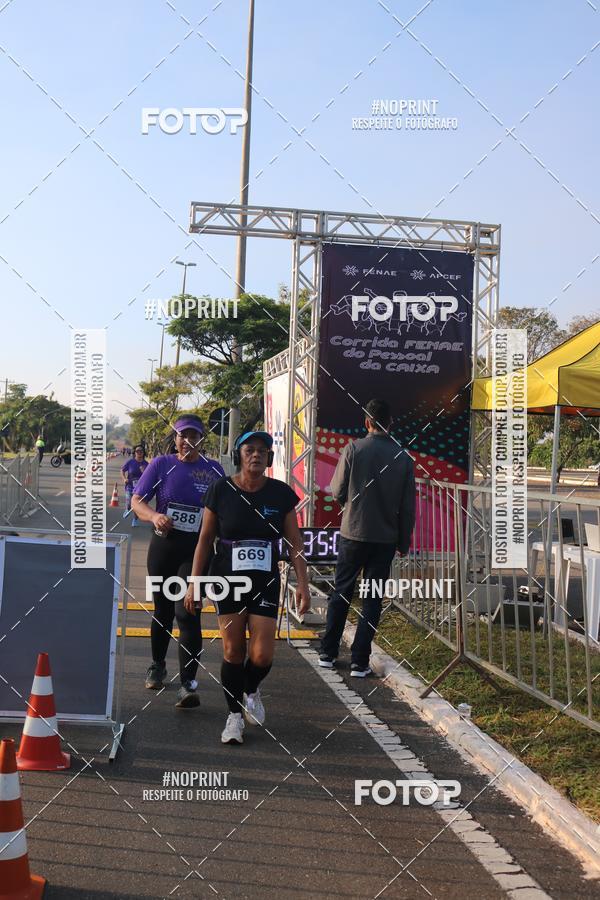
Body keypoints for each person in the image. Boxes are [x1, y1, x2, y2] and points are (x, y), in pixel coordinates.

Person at [184, 430, 310, 744]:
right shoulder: (221, 489)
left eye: (262, 451)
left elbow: (294, 545)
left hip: (265, 580)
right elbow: (204, 540)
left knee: (262, 654)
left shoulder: (281, 494)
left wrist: (303, 585)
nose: (256, 455)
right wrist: (194, 584)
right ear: (240, 454)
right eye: (249, 450)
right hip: (227, 578)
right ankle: (234, 717)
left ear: (269, 458)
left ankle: (251, 689)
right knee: (232, 650)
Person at [131, 415, 224, 708]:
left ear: (201, 439)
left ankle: (188, 684)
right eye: (182, 435)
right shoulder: (160, 464)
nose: (187, 441)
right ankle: (157, 664)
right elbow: (137, 501)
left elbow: (226, 507)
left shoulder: (214, 470)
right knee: (162, 610)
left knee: (188, 611)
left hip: (196, 551)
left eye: (193, 435)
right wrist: (154, 516)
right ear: (175, 438)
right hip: (164, 546)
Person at [319, 398, 416, 677]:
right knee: (372, 598)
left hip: (353, 533)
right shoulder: (403, 458)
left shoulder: (353, 449)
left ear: (367, 422)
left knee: (341, 593)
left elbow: (337, 490)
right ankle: (360, 661)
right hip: (385, 539)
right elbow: (408, 507)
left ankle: (328, 652)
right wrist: (403, 541)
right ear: (391, 423)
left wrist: (349, 507)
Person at [121, 445, 149, 524]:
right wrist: (124, 479)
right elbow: (122, 470)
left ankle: (135, 519)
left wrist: (144, 472)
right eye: (137, 451)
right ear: (135, 453)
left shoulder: (146, 464)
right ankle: (127, 508)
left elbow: (149, 477)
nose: (139, 453)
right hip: (130, 486)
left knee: (137, 504)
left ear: (143, 453)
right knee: (130, 502)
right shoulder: (130, 462)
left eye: (141, 451)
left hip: (140, 488)